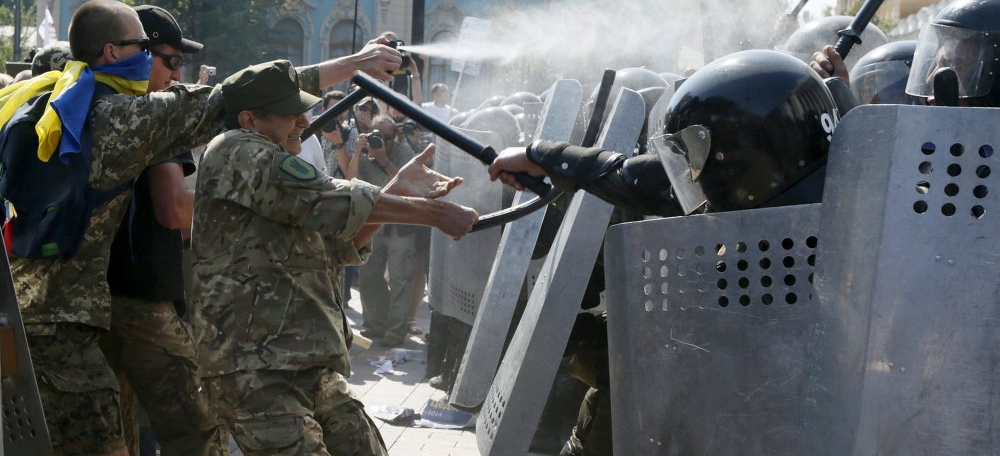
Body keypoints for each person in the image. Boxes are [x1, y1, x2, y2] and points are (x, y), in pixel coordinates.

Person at [5, 0, 402, 456]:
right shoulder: (114, 117)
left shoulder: (41, 105)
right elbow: (233, 98)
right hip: (60, 323)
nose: (166, 67)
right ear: (113, 53)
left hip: (31, 312)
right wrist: (353, 64)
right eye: (150, 50)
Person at [487, 49, 841, 455]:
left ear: (737, 157)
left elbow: (668, 368)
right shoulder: (851, 197)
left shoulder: (753, 264)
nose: (691, 175)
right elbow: (629, 175)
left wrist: (601, 343)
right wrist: (540, 156)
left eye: (696, 157)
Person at [188, 60, 478, 455]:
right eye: (291, 113)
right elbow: (332, 197)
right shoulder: (236, 150)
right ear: (249, 118)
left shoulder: (274, 168)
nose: (304, 121)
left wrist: (401, 189)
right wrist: (436, 215)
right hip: (254, 368)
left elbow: (336, 247)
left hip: (305, 362)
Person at [101, 4, 227, 456]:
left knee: (121, 434)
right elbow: (173, 208)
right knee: (199, 431)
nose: (178, 73)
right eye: (170, 60)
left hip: (94, 302)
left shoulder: (97, 105)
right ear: (139, 53)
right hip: (143, 300)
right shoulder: (153, 118)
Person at [351, 114, 419, 348]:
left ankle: (395, 330)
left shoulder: (404, 153)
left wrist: (384, 160)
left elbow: (411, 186)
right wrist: (359, 151)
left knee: (400, 278)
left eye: (387, 137)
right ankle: (375, 323)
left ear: (395, 136)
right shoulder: (366, 153)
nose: (382, 142)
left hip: (400, 226)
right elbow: (351, 180)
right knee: (368, 276)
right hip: (372, 224)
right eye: (377, 136)